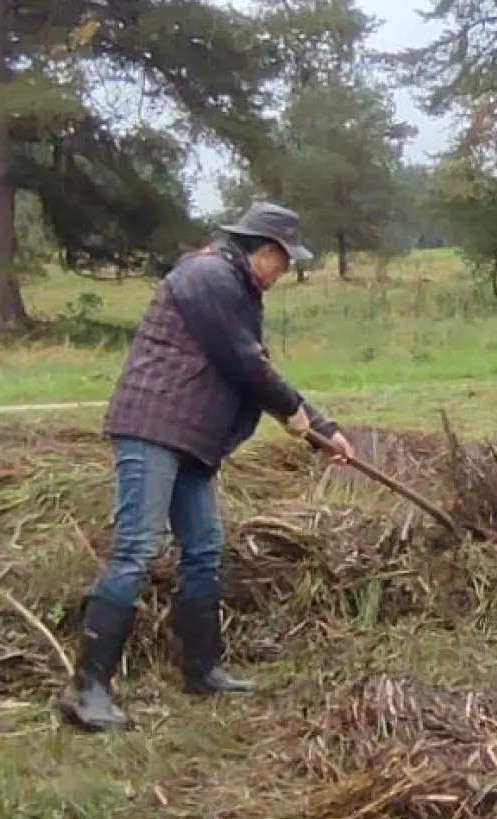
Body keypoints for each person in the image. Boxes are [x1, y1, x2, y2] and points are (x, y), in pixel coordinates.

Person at [60, 201, 356, 733]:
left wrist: (322, 429)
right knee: (134, 550)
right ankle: (87, 691)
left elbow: (256, 365)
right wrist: (292, 412)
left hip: (192, 440)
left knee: (202, 550)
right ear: (265, 251)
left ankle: (201, 670)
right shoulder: (207, 276)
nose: (284, 274)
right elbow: (244, 363)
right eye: (284, 263)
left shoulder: (232, 287)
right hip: (153, 427)